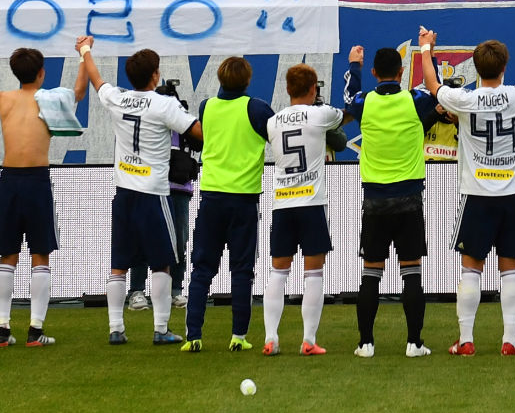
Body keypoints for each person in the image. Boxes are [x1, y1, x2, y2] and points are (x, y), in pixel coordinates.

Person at [418, 28, 515, 357]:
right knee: (510, 268)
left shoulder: (465, 99)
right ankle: (510, 341)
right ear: (504, 66)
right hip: (512, 192)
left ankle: (466, 340)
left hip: (477, 194)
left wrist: (426, 48)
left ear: (475, 67)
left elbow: (432, 85)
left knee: (471, 268)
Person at [81, 39, 200, 345]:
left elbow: (96, 78)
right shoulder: (165, 104)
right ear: (155, 76)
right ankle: (160, 329)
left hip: (123, 193)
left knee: (119, 263)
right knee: (161, 261)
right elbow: (197, 134)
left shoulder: (117, 99)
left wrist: (85, 51)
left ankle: (116, 329)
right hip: (152, 193)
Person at [342, 44, 441, 358]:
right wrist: (428, 51)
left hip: (374, 200)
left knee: (371, 272)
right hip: (409, 199)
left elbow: (347, 99)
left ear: (374, 73)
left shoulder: (365, 102)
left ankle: (366, 344)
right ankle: (414, 343)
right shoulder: (415, 101)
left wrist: (354, 66)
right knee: (411, 271)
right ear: (401, 73)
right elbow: (435, 88)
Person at [0, 48, 62, 348]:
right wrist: (84, 56)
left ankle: (2, 330)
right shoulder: (48, 98)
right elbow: (80, 93)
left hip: (10, 181)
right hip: (36, 179)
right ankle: (35, 329)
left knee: (8, 254)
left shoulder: (2, 97)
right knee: (40, 253)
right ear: (41, 72)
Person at [182, 56, 275, 351]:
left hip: (211, 196)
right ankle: (238, 336)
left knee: (202, 269)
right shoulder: (257, 108)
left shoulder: (206, 107)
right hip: (244, 199)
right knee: (242, 270)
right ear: (247, 80)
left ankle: (193, 336)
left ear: (220, 79)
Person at [261, 63, 345, 356]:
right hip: (311, 202)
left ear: (287, 89)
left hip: (283, 203)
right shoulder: (320, 113)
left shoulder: (273, 121)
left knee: (277, 273)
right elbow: (342, 119)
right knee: (314, 274)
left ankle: (271, 337)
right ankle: (308, 340)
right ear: (313, 89)